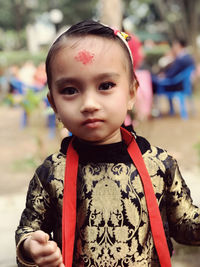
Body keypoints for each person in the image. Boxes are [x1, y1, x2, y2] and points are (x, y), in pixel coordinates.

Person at [15, 20, 200, 267]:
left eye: (106, 86)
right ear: (53, 103)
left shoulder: (159, 164)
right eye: (70, 90)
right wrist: (30, 248)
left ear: (132, 93)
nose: (89, 103)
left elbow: (185, 225)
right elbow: (28, 228)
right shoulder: (50, 173)